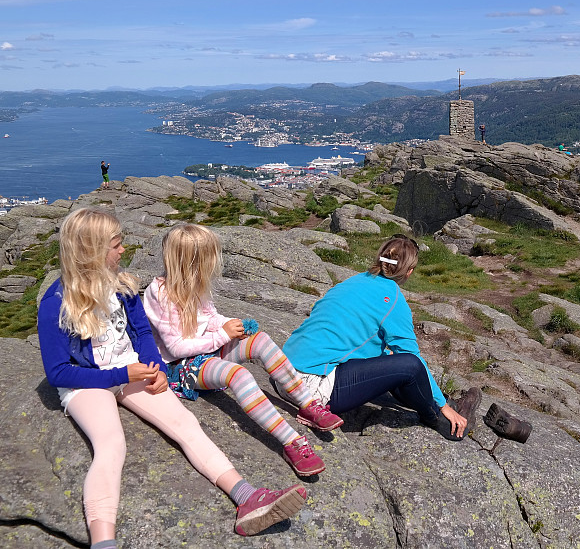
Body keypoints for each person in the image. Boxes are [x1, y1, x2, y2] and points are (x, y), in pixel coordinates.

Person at [38, 208, 306, 546]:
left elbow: (141, 334)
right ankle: (103, 541)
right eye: (116, 245)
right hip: (86, 380)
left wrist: (157, 370)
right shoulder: (56, 303)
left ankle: (247, 498)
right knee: (111, 444)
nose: (123, 250)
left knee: (187, 426)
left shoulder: (122, 287)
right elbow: (58, 371)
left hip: (134, 370)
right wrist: (123, 373)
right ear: (91, 250)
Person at [144, 223, 341, 477]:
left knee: (260, 340)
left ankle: (307, 403)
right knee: (239, 376)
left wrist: (226, 324)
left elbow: (209, 316)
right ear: (193, 263)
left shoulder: (194, 283)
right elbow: (177, 347)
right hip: (181, 367)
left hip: (205, 350)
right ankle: (292, 442)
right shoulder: (160, 293)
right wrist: (223, 336)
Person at [281, 234, 482, 441]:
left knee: (388, 357)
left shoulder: (353, 280)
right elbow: (412, 360)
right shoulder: (393, 298)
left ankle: (438, 399)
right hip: (311, 390)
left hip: (282, 372)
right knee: (409, 365)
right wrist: (441, 405)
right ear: (409, 272)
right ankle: (438, 417)